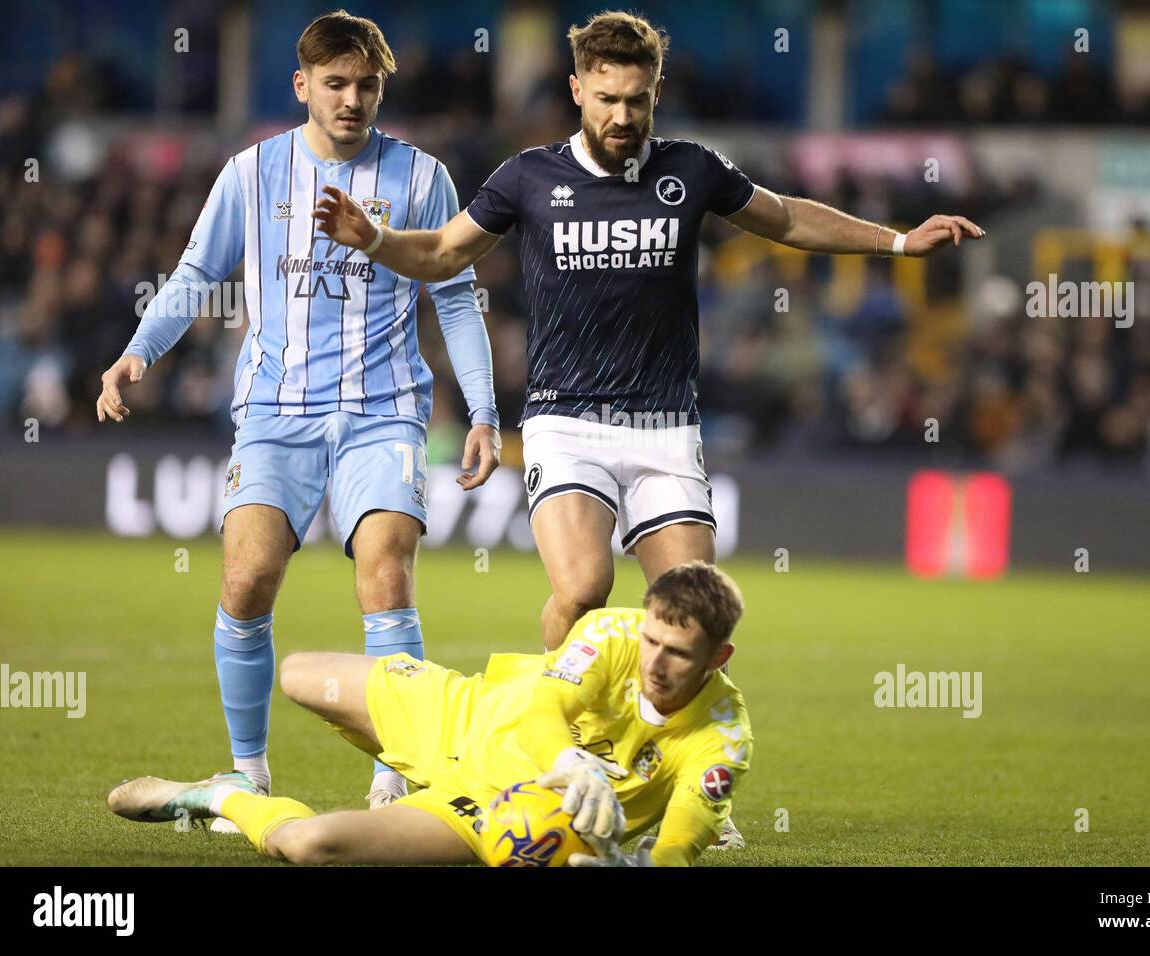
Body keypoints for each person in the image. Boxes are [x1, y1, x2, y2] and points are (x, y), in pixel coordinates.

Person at [311, 9, 983, 844]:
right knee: (584, 590)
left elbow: (784, 219)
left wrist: (896, 242)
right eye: (606, 99)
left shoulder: (690, 171)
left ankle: (686, 786)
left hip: (666, 428)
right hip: (565, 422)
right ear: (577, 90)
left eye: (636, 100)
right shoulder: (528, 177)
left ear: (655, 92)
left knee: (696, 617)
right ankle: (552, 751)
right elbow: (446, 254)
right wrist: (372, 236)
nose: (622, 117)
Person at [95, 10, 501, 812]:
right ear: (302, 85)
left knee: (386, 576)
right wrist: (140, 350)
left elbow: (455, 299)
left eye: (368, 86)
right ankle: (248, 771)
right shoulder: (251, 173)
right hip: (276, 414)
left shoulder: (423, 178)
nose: (352, 100)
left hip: (383, 411)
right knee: (246, 581)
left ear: (383, 89)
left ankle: (401, 771)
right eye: (336, 83)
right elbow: (194, 272)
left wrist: (484, 409)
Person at [108, 562, 751, 868]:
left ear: (718, 656)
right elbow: (542, 715)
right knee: (299, 673)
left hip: (492, 813)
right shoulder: (613, 632)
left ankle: (220, 796)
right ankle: (398, 762)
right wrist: (566, 761)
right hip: (467, 718)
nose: (656, 661)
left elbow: (678, 846)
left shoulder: (722, 740)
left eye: (678, 653)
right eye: (653, 641)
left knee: (307, 847)